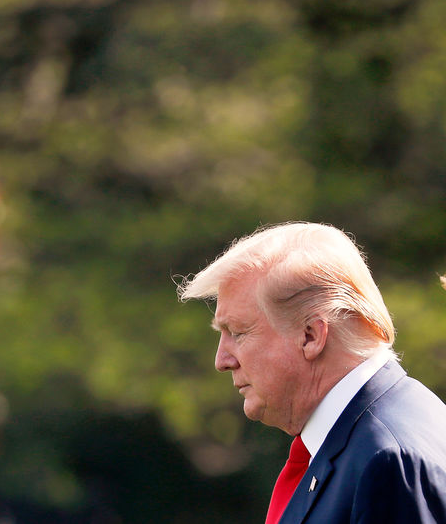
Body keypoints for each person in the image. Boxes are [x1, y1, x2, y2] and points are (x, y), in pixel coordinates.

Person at [177, 222, 446, 523]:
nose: (222, 360)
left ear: (311, 336)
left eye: (237, 332)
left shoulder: (387, 460)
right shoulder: (366, 440)